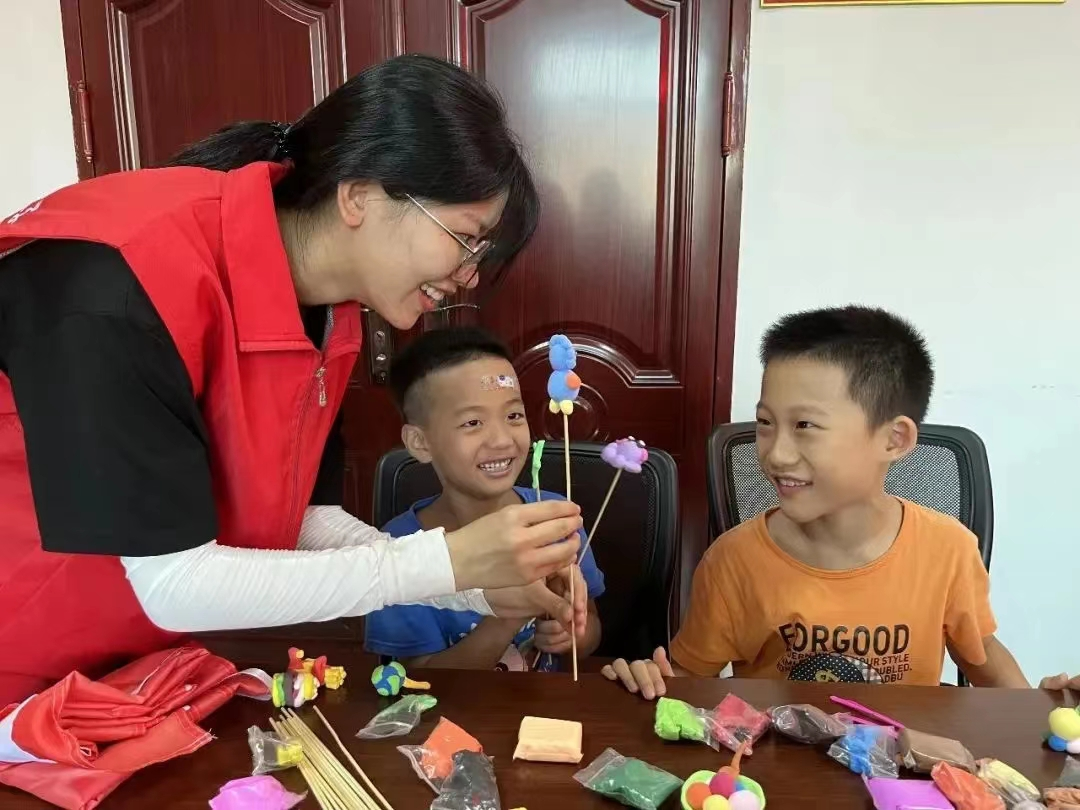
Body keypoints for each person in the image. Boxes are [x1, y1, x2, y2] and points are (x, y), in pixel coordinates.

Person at [0, 55, 586, 705]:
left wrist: (472, 587)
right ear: (360, 194)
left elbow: (304, 517)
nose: (469, 276)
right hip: (19, 661)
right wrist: (448, 561)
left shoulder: (333, 317)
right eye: (466, 239)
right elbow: (172, 583)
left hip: (119, 670)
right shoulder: (121, 279)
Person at [604, 306, 1066, 698]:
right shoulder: (733, 561)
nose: (776, 454)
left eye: (805, 426)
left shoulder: (948, 550)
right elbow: (689, 681)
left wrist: (1043, 712)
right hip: (778, 764)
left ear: (894, 439)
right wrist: (648, 680)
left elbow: (984, 659)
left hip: (902, 765)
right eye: (765, 423)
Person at [364, 328, 604, 671]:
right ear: (420, 442)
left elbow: (590, 629)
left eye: (514, 416)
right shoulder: (397, 552)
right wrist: (511, 614)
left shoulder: (555, 520)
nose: (502, 440)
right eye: (473, 422)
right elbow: (419, 680)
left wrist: (572, 634)